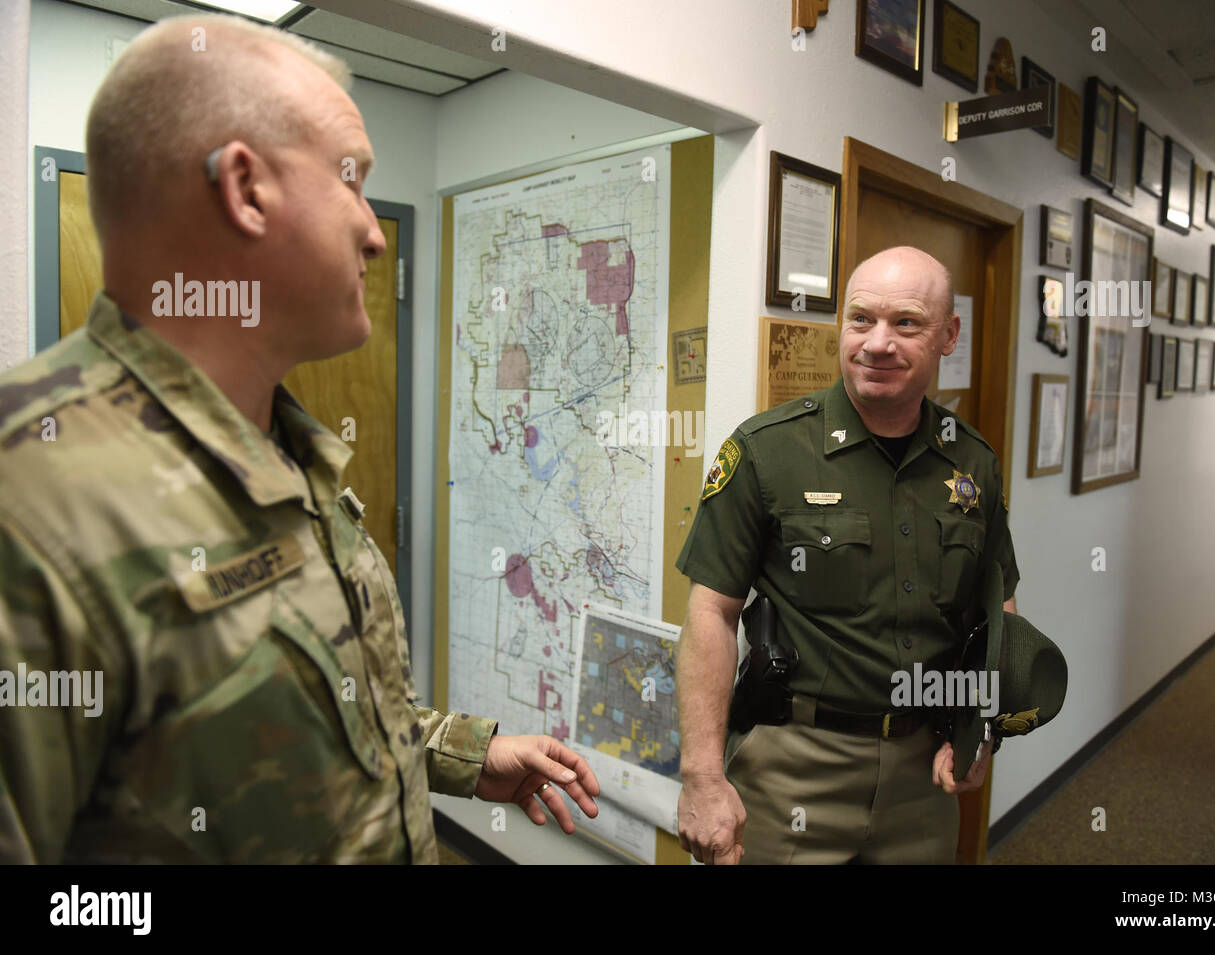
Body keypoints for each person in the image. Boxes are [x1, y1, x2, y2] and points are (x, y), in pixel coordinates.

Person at [0, 15, 598, 863]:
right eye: (352, 182)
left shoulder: (291, 450)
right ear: (245, 189)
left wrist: (460, 753)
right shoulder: (31, 499)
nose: (376, 232)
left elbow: (314, 719)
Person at [675, 246, 1018, 865]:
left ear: (948, 335)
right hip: (792, 769)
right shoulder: (766, 451)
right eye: (861, 319)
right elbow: (711, 613)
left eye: (906, 323)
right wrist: (702, 777)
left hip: (923, 775)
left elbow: (998, 611)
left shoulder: (972, 462)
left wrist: (980, 729)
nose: (877, 343)